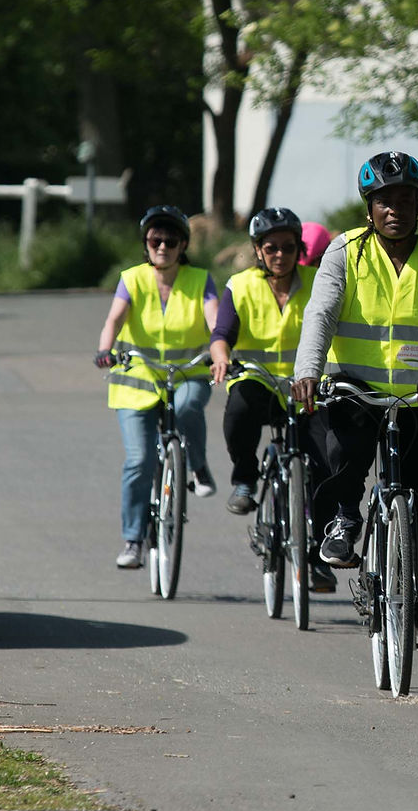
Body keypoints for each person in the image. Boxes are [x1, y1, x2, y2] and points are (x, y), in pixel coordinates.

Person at [291, 152, 418, 651]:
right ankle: (343, 515)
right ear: (370, 206)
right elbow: (320, 314)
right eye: (385, 200)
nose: (396, 209)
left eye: (406, 199)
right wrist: (308, 371)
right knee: (341, 449)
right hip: (356, 389)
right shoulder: (345, 252)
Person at [208, 208, 334, 592]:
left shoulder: (320, 282)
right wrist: (221, 357)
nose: (279, 254)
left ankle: (319, 558)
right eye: (271, 248)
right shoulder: (240, 285)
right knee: (239, 411)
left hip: (306, 386)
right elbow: (222, 332)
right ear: (258, 251)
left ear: (299, 248)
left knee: (328, 459)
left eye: (287, 247)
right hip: (258, 381)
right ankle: (245, 480)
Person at [93, 205, 219, 570]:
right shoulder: (131, 279)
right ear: (145, 244)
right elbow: (113, 319)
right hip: (136, 382)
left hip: (188, 375)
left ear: (183, 245)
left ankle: (197, 466)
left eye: (171, 240)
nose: (162, 246)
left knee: (187, 408)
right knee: (139, 461)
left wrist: (218, 349)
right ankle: (133, 540)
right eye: (154, 240)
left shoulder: (200, 279)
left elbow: (213, 318)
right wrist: (105, 350)